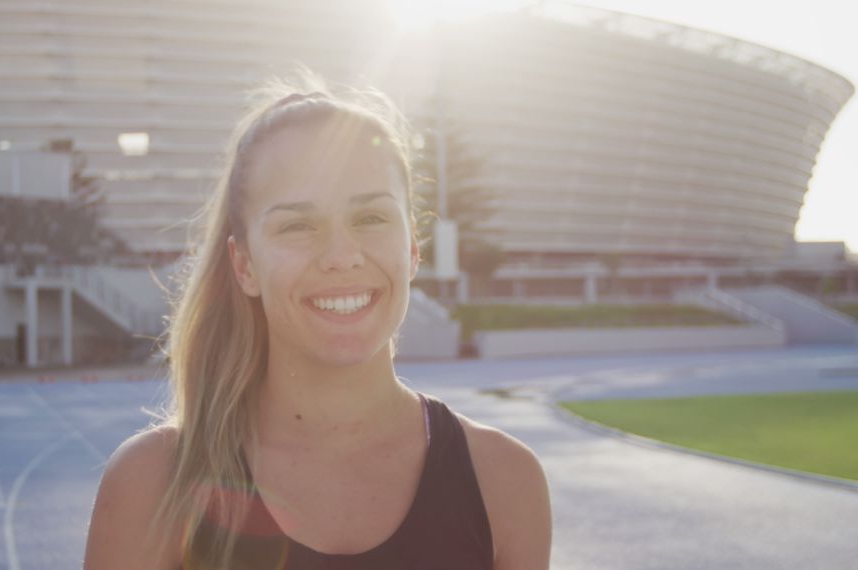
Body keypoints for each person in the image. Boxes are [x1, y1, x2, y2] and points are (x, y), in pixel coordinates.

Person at [84, 70, 552, 569]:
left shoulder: (504, 481)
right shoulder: (152, 485)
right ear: (244, 266)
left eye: (370, 217)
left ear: (412, 249)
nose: (341, 255)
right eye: (298, 225)